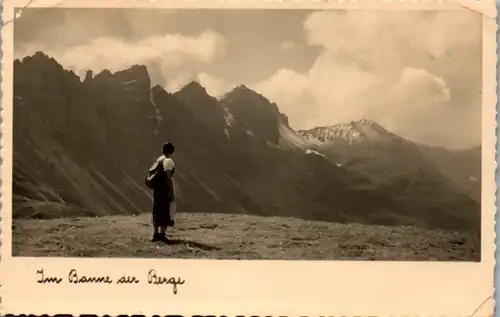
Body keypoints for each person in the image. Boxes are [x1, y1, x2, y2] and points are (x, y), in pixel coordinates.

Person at [149, 142, 176, 243]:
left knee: (156, 210)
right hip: (164, 190)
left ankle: (155, 234)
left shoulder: (159, 159)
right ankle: (162, 234)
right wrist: (171, 191)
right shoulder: (168, 161)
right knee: (165, 210)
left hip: (157, 189)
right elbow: (168, 178)